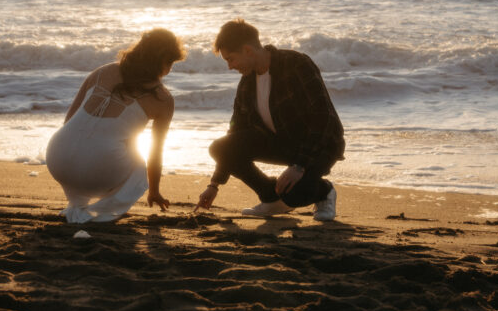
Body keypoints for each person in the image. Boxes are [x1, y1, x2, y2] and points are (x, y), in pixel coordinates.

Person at [194, 19, 344, 220]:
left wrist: (299, 166)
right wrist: (214, 184)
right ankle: (271, 199)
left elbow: (323, 118)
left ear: (248, 50)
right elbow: (235, 133)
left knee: (294, 195)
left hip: (319, 145)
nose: (230, 67)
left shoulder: (297, 64)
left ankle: (324, 192)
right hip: (282, 143)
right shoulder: (247, 83)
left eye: (231, 59)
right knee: (220, 148)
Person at [46, 28, 184, 223]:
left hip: (56, 158)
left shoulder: (103, 71)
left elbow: (69, 120)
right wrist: (154, 191)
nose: (169, 70)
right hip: (94, 171)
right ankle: (104, 212)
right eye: (170, 63)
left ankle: (78, 202)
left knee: (104, 142)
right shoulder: (163, 99)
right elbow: (155, 153)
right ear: (162, 62)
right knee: (138, 161)